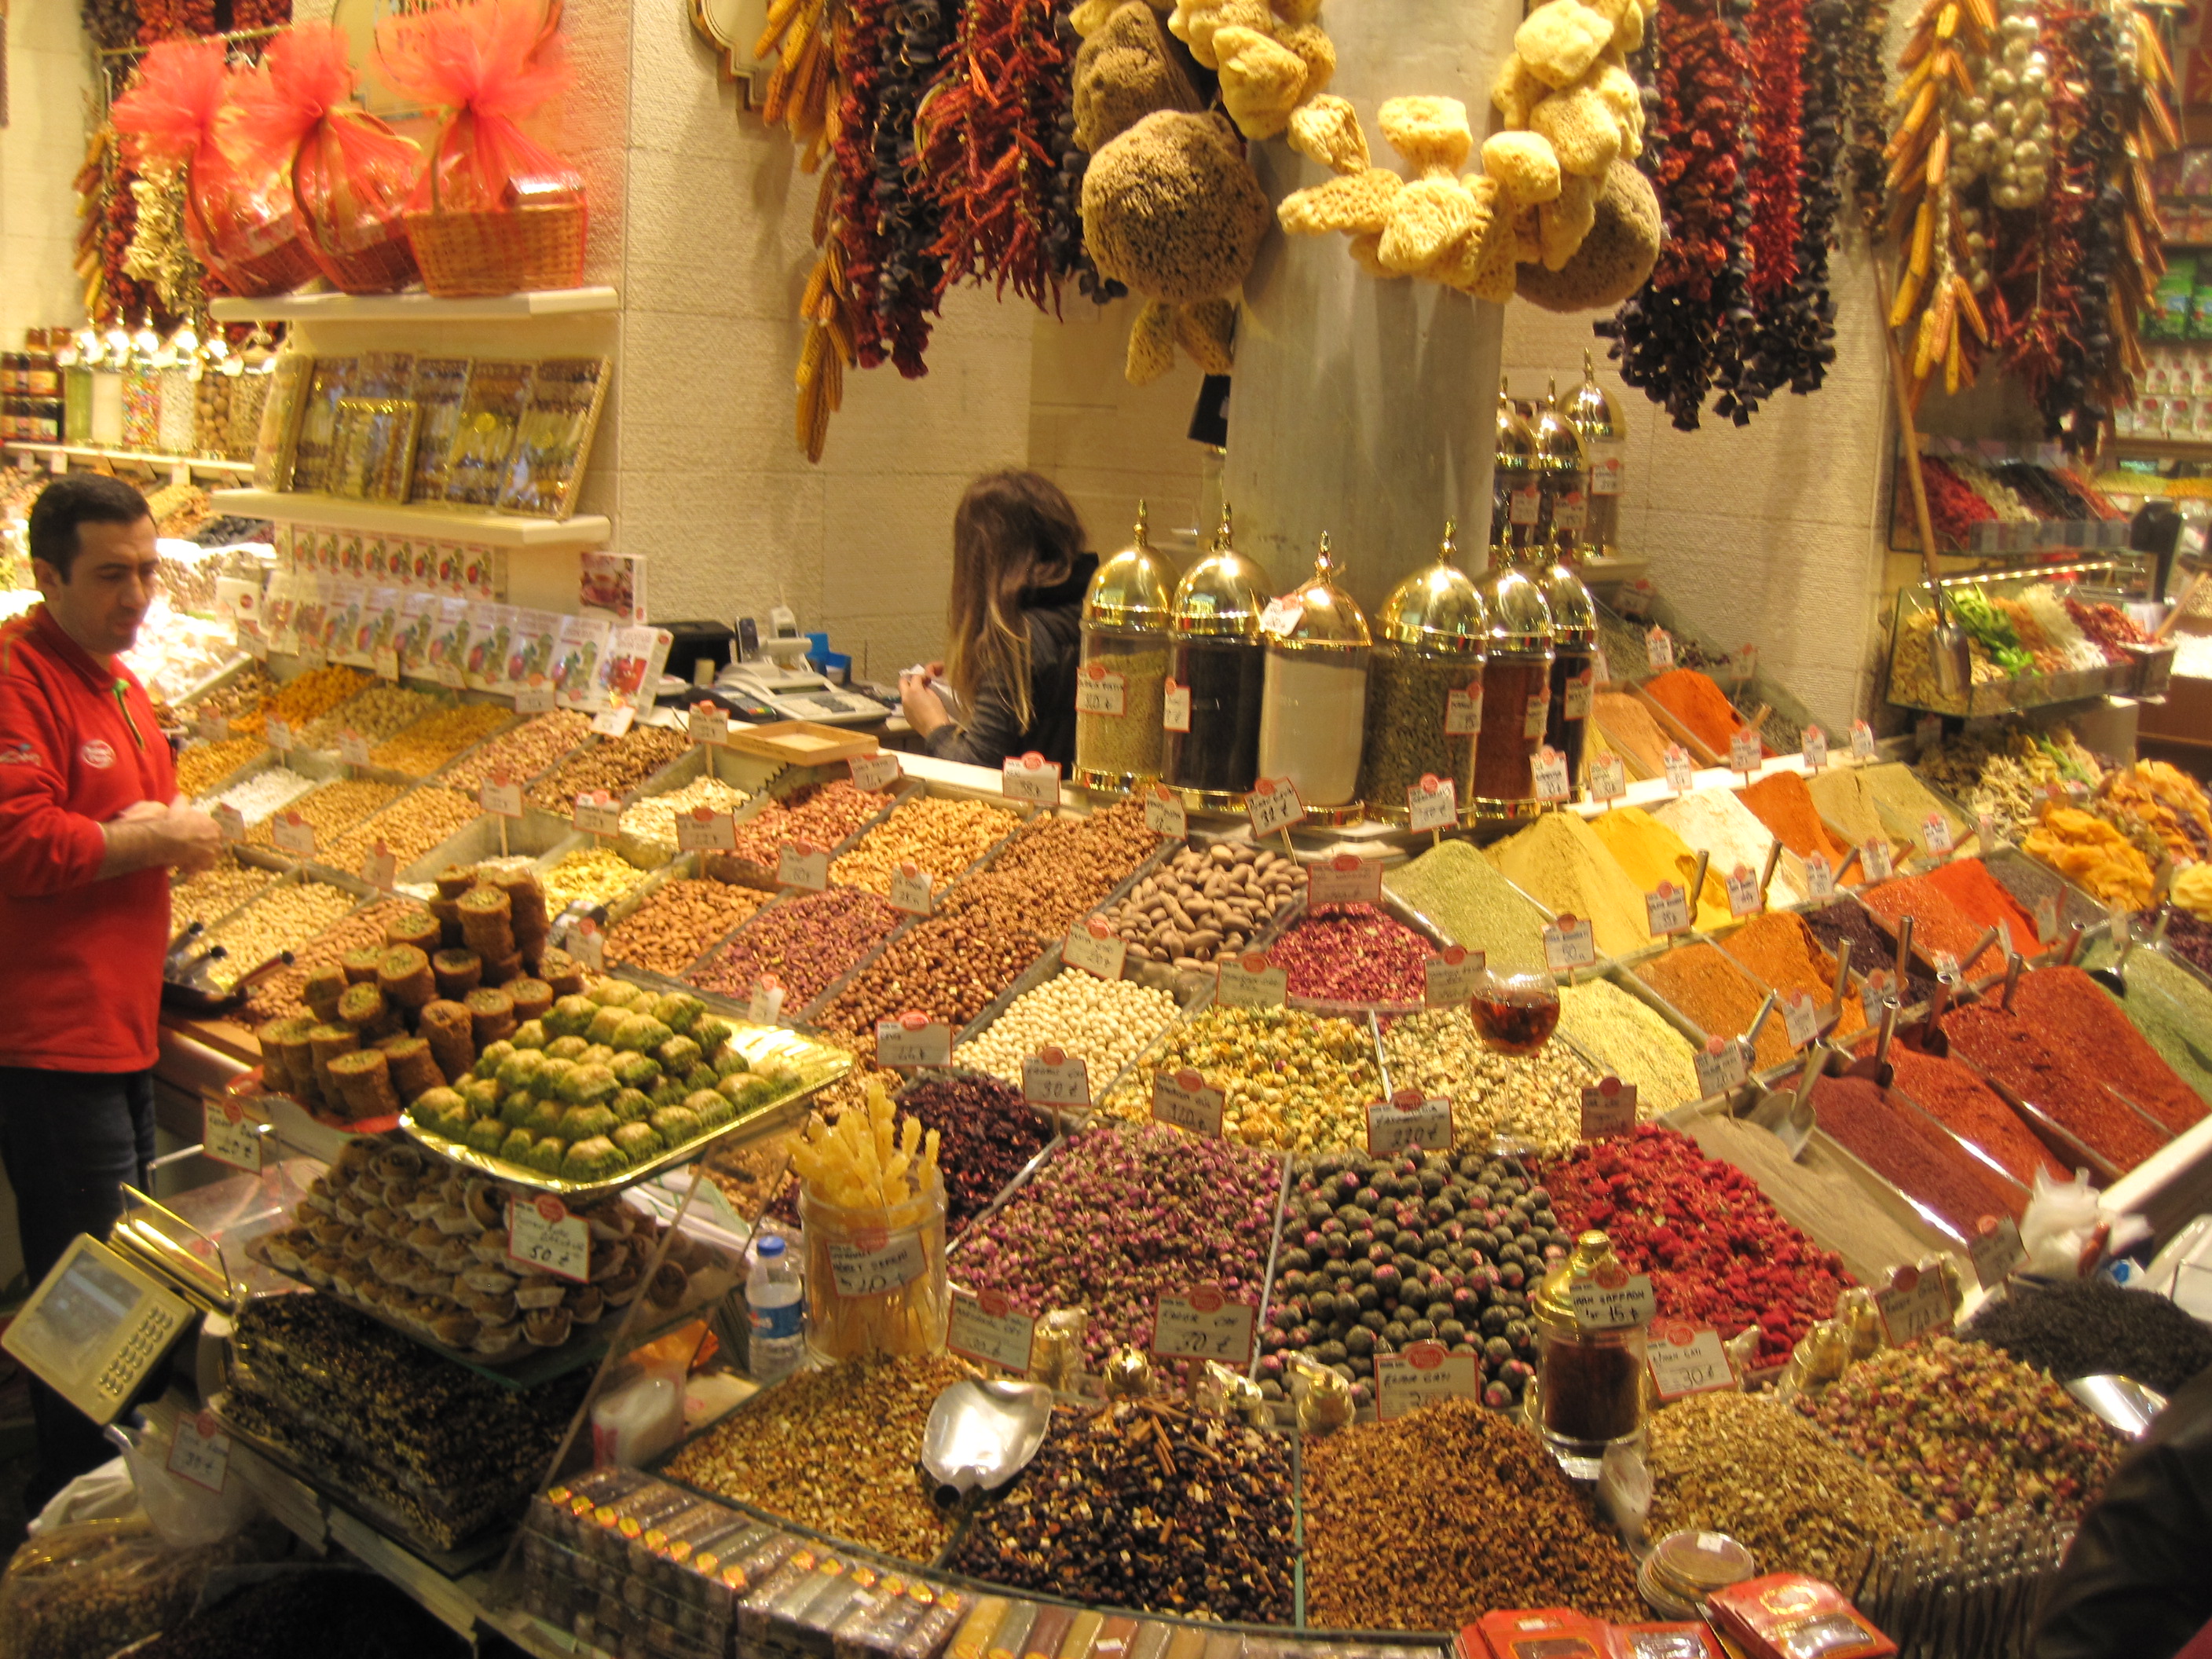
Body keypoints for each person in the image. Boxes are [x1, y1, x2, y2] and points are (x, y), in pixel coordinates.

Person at [0, 474, 220, 1508]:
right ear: (47, 576)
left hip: (125, 1024)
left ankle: (129, 1487)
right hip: (53, 1039)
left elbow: (115, 822)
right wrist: (155, 837)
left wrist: (152, 835)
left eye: (148, 571)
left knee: (130, 1270)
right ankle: (73, 1507)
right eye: (109, 575)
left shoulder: (122, 683)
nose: (136, 596)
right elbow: (18, 841)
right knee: (90, 1286)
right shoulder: (17, 681)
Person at [899, 470, 1097, 769]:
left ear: (980, 558)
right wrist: (982, 677)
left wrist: (932, 724)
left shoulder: (1014, 640)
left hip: (1029, 797)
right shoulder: (1089, 608)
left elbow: (976, 766)